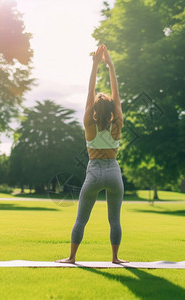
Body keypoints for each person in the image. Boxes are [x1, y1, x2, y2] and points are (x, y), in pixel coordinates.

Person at [57, 44, 128, 264]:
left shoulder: (89, 123)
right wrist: (110, 66)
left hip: (95, 172)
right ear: (112, 111)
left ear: (95, 111)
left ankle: (72, 257)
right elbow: (116, 95)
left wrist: (95, 65)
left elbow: (90, 93)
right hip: (114, 172)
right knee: (114, 220)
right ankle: (115, 258)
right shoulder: (117, 123)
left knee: (81, 219)